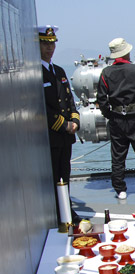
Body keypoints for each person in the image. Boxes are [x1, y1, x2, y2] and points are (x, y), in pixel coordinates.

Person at [97, 38, 135, 200]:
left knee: (118, 156)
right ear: (127, 52)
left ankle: (120, 189)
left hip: (116, 118)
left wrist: (109, 114)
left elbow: (102, 99)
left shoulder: (106, 73)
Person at [39, 25, 82, 225]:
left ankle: (66, 210)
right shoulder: (35, 73)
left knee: (65, 174)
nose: (50, 48)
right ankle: (58, 214)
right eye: (45, 44)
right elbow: (39, 107)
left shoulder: (59, 71)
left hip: (66, 136)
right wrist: (63, 124)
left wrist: (74, 121)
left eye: (52, 44)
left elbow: (69, 100)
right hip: (51, 136)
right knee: (54, 177)